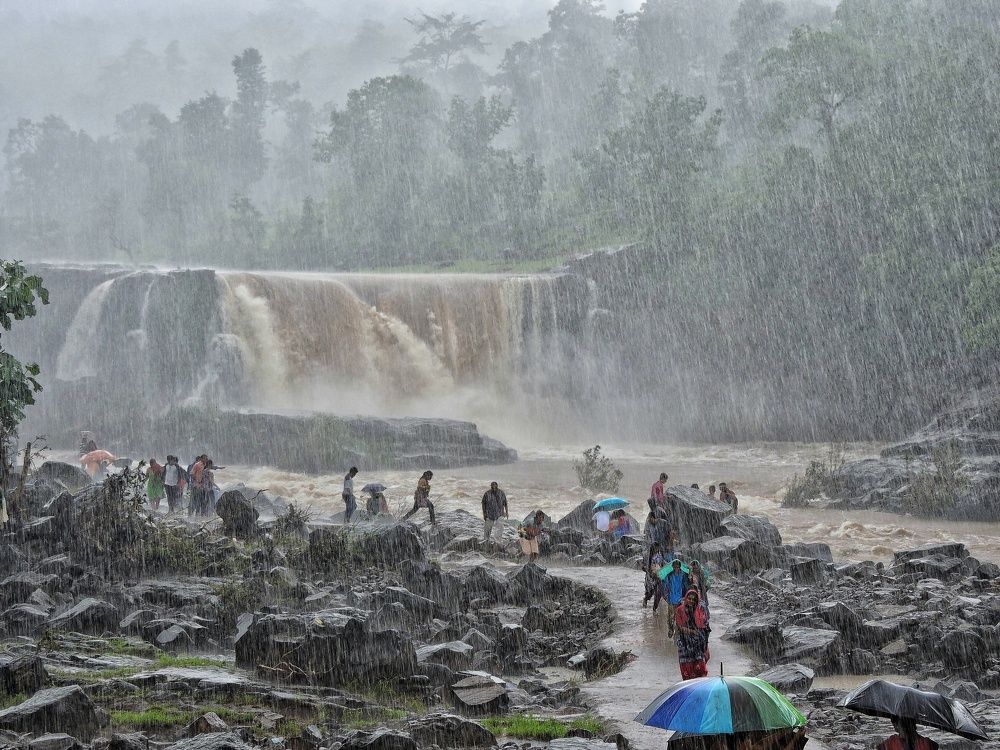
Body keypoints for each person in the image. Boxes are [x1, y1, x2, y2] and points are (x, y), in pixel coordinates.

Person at [675, 588, 710, 680]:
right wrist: (692, 632)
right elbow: (680, 627)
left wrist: (706, 646)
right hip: (684, 644)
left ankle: (700, 688)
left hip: (698, 644)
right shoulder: (680, 610)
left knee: (701, 670)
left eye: (693, 599)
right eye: (689, 598)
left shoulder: (700, 611)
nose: (691, 601)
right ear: (686, 598)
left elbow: (706, 627)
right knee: (687, 671)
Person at [663, 559, 690, 632]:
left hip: (680, 598)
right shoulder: (669, 575)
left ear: (680, 567)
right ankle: (670, 629)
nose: (676, 568)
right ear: (673, 567)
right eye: (675, 567)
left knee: (679, 615)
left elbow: (686, 586)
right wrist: (666, 595)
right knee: (670, 616)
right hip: (671, 598)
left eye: (677, 567)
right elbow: (666, 586)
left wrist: (685, 596)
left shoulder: (684, 575)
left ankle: (679, 630)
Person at [642, 542, 666, 609]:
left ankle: (654, 609)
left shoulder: (660, 555)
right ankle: (645, 599)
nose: (657, 549)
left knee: (659, 593)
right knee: (650, 592)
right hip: (651, 577)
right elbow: (643, 567)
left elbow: (663, 563)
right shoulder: (647, 556)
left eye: (658, 547)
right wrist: (650, 571)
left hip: (659, 576)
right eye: (655, 547)